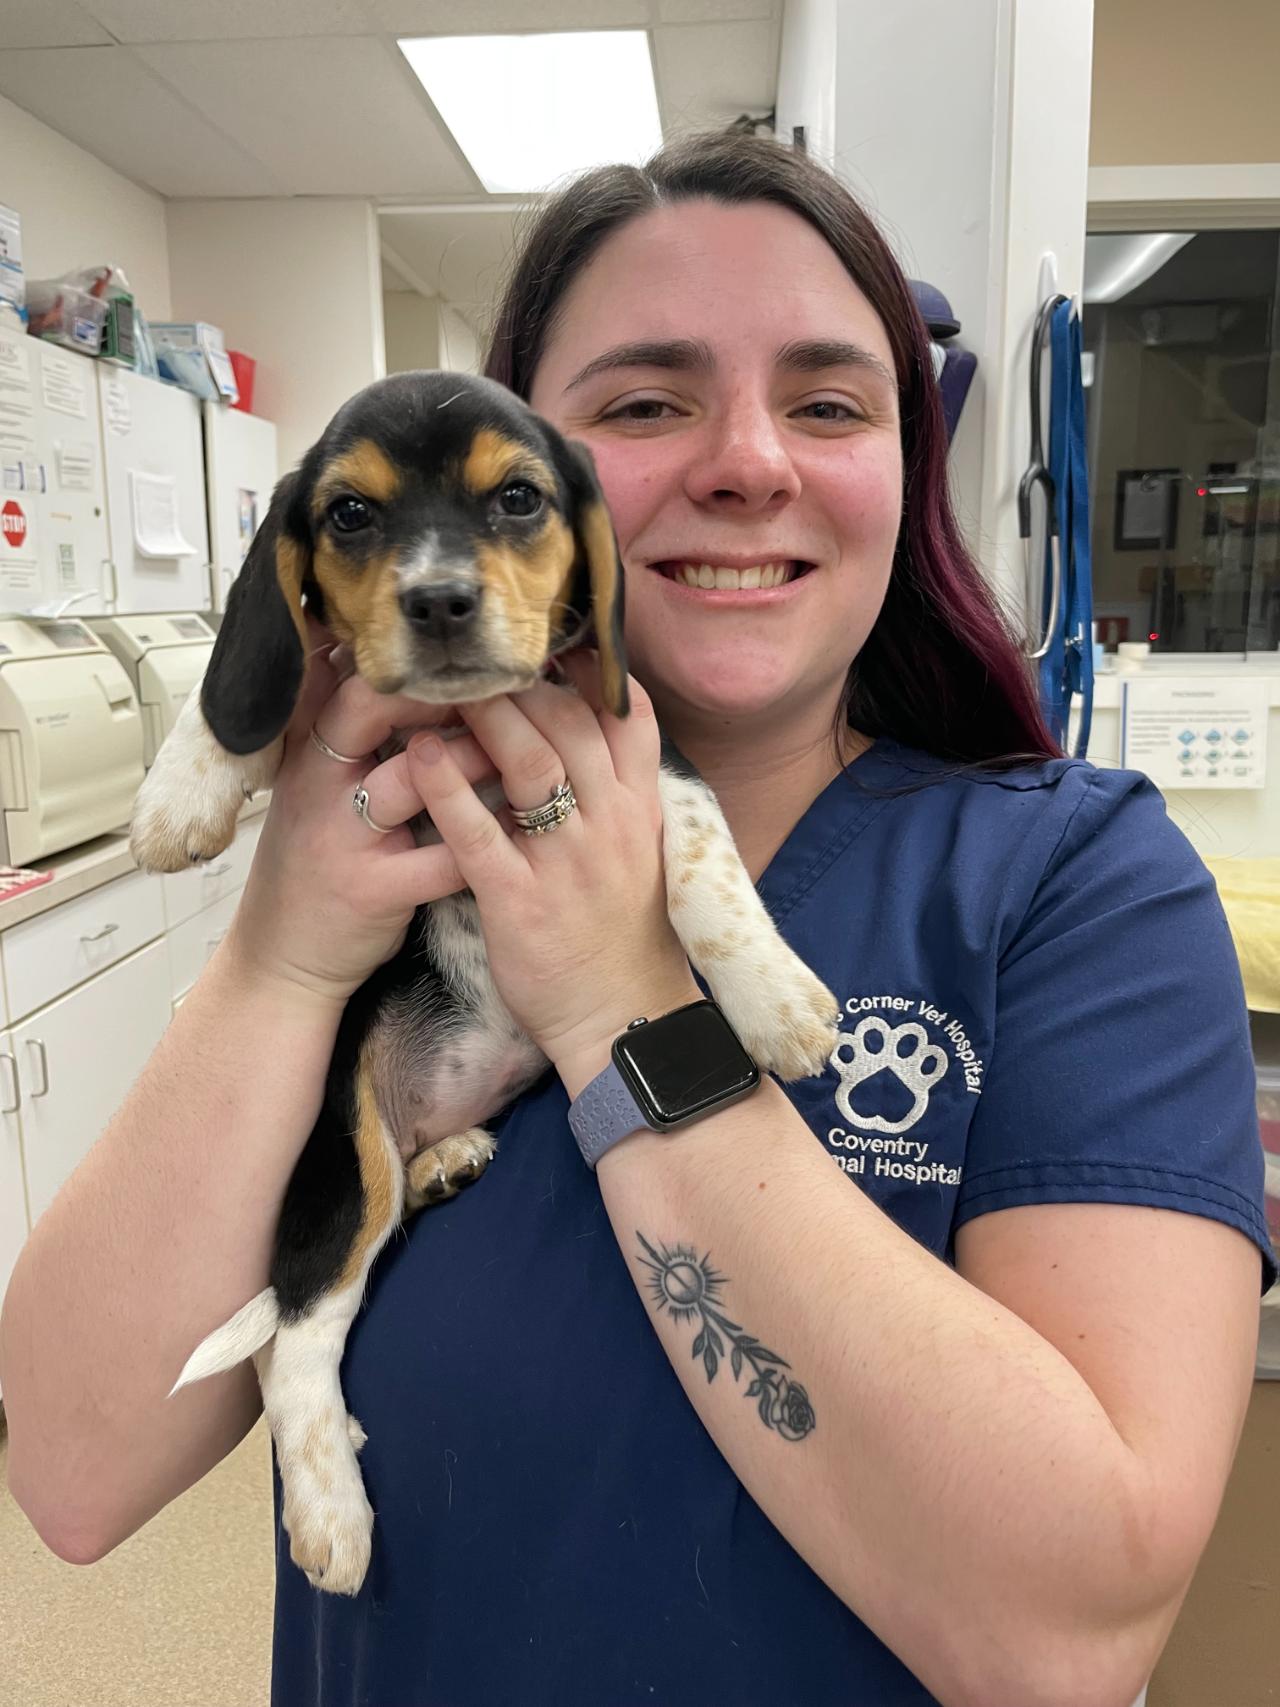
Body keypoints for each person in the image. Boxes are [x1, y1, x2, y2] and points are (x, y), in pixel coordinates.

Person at [2, 132, 1274, 1707]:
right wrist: (285, 952)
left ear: (908, 464)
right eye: (647, 402)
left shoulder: (1079, 889)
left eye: (828, 401)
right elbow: (66, 1470)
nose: (748, 460)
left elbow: (1066, 1637)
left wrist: (619, 992)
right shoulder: (372, 892)